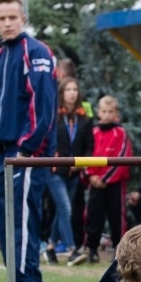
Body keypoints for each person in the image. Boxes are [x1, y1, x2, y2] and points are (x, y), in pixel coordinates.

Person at [0, 0, 57, 282]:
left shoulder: (36, 52)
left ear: (23, 18)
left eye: (13, 17)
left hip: (24, 153)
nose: (8, 23)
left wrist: (28, 148)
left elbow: (44, 108)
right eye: (2, 18)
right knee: (4, 223)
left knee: (21, 222)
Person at [45, 76, 93, 267]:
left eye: (75, 89)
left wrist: (82, 162)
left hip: (74, 172)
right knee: (66, 208)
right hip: (55, 170)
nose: (72, 93)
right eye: (68, 90)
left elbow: (90, 145)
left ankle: (50, 247)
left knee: (62, 211)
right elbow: (47, 142)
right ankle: (72, 250)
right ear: (61, 93)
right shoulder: (53, 116)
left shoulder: (85, 119)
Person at [82, 95, 132, 263]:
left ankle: (119, 250)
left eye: (111, 111)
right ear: (98, 112)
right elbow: (87, 154)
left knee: (117, 217)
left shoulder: (121, 133)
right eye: (104, 111)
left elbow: (123, 157)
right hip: (95, 182)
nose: (107, 114)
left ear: (116, 113)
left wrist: (105, 178)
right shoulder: (93, 132)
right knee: (93, 216)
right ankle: (92, 249)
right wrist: (92, 176)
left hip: (115, 184)